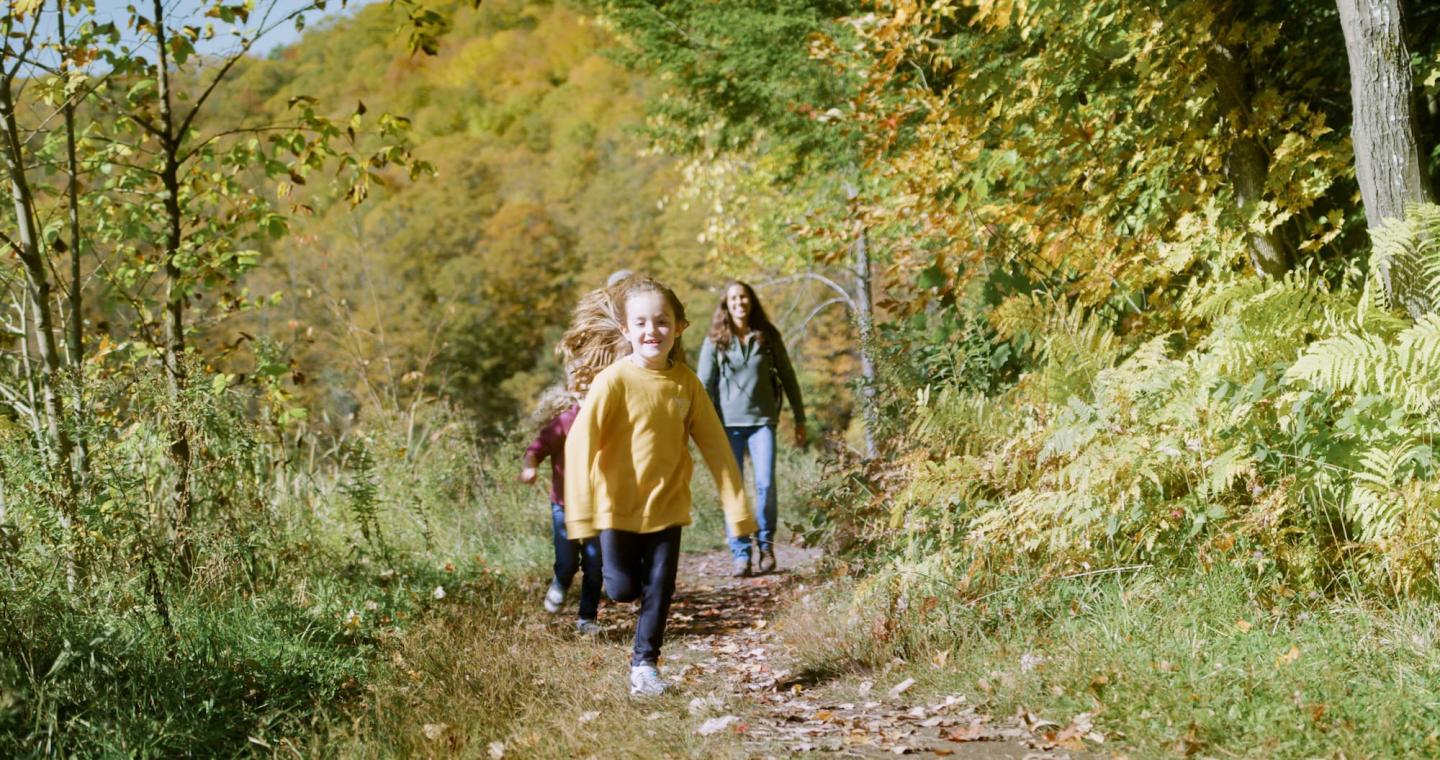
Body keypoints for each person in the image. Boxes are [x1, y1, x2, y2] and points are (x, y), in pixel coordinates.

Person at [563, 275, 755, 697]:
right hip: (616, 507)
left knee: (660, 588)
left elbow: (717, 446)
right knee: (623, 589)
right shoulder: (612, 381)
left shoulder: (686, 383)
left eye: (663, 322)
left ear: (679, 327)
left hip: (668, 507)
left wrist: (738, 508)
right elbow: (580, 442)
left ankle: (644, 665)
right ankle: (633, 630)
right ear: (626, 330)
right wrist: (578, 512)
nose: (653, 331)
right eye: (643, 323)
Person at [696, 281, 806, 578]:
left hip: (762, 424)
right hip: (726, 427)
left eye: (743, 297)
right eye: (733, 298)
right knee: (734, 490)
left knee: (765, 485)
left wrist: (800, 419)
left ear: (751, 301)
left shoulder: (767, 337)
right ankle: (741, 554)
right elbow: (703, 386)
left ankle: (766, 546)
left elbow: (788, 377)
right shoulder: (715, 340)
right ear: (726, 304)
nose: (739, 303)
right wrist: (699, 426)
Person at [520, 384, 603, 636]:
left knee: (595, 565)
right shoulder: (565, 422)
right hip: (564, 505)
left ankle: (586, 618)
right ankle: (561, 580)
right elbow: (535, 450)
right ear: (576, 394)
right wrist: (529, 467)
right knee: (567, 561)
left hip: (599, 508)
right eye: (584, 393)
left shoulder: (610, 420)